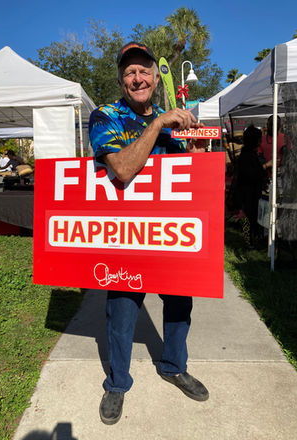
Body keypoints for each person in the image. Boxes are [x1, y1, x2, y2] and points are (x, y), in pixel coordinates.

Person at [89, 41, 209, 426]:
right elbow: (121, 170)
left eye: (144, 70)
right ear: (122, 80)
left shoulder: (174, 119)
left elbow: (193, 177)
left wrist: (198, 145)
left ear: (157, 78)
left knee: (179, 307)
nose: (137, 77)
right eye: (129, 72)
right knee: (121, 314)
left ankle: (173, 366)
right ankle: (117, 383)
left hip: (170, 237)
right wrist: (157, 125)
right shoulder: (105, 116)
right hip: (126, 238)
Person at [235, 125, 271, 247]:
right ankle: (250, 243)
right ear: (254, 140)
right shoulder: (247, 155)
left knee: (253, 216)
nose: (261, 141)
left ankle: (253, 241)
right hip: (248, 191)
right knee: (250, 217)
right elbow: (250, 174)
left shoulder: (249, 153)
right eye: (259, 139)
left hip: (250, 191)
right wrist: (266, 166)